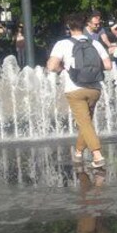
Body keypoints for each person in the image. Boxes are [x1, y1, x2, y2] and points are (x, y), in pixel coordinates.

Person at [46, 14, 113, 168]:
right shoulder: (95, 43)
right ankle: (78, 152)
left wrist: (63, 68)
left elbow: (51, 66)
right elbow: (108, 66)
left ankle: (97, 155)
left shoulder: (62, 44)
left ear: (68, 27)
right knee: (86, 122)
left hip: (74, 89)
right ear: (84, 26)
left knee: (84, 123)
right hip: (95, 89)